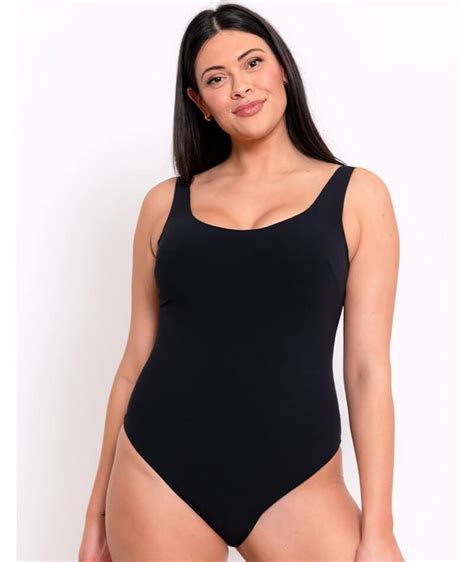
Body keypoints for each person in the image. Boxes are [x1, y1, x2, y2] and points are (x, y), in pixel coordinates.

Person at [78, 3, 404, 561]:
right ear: (198, 102)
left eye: (252, 63)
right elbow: (134, 361)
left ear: (282, 69)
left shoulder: (357, 196)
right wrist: (95, 517)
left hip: (298, 475)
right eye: (216, 78)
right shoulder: (164, 204)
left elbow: (367, 370)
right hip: (159, 470)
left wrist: (379, 529)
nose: (240, 87)